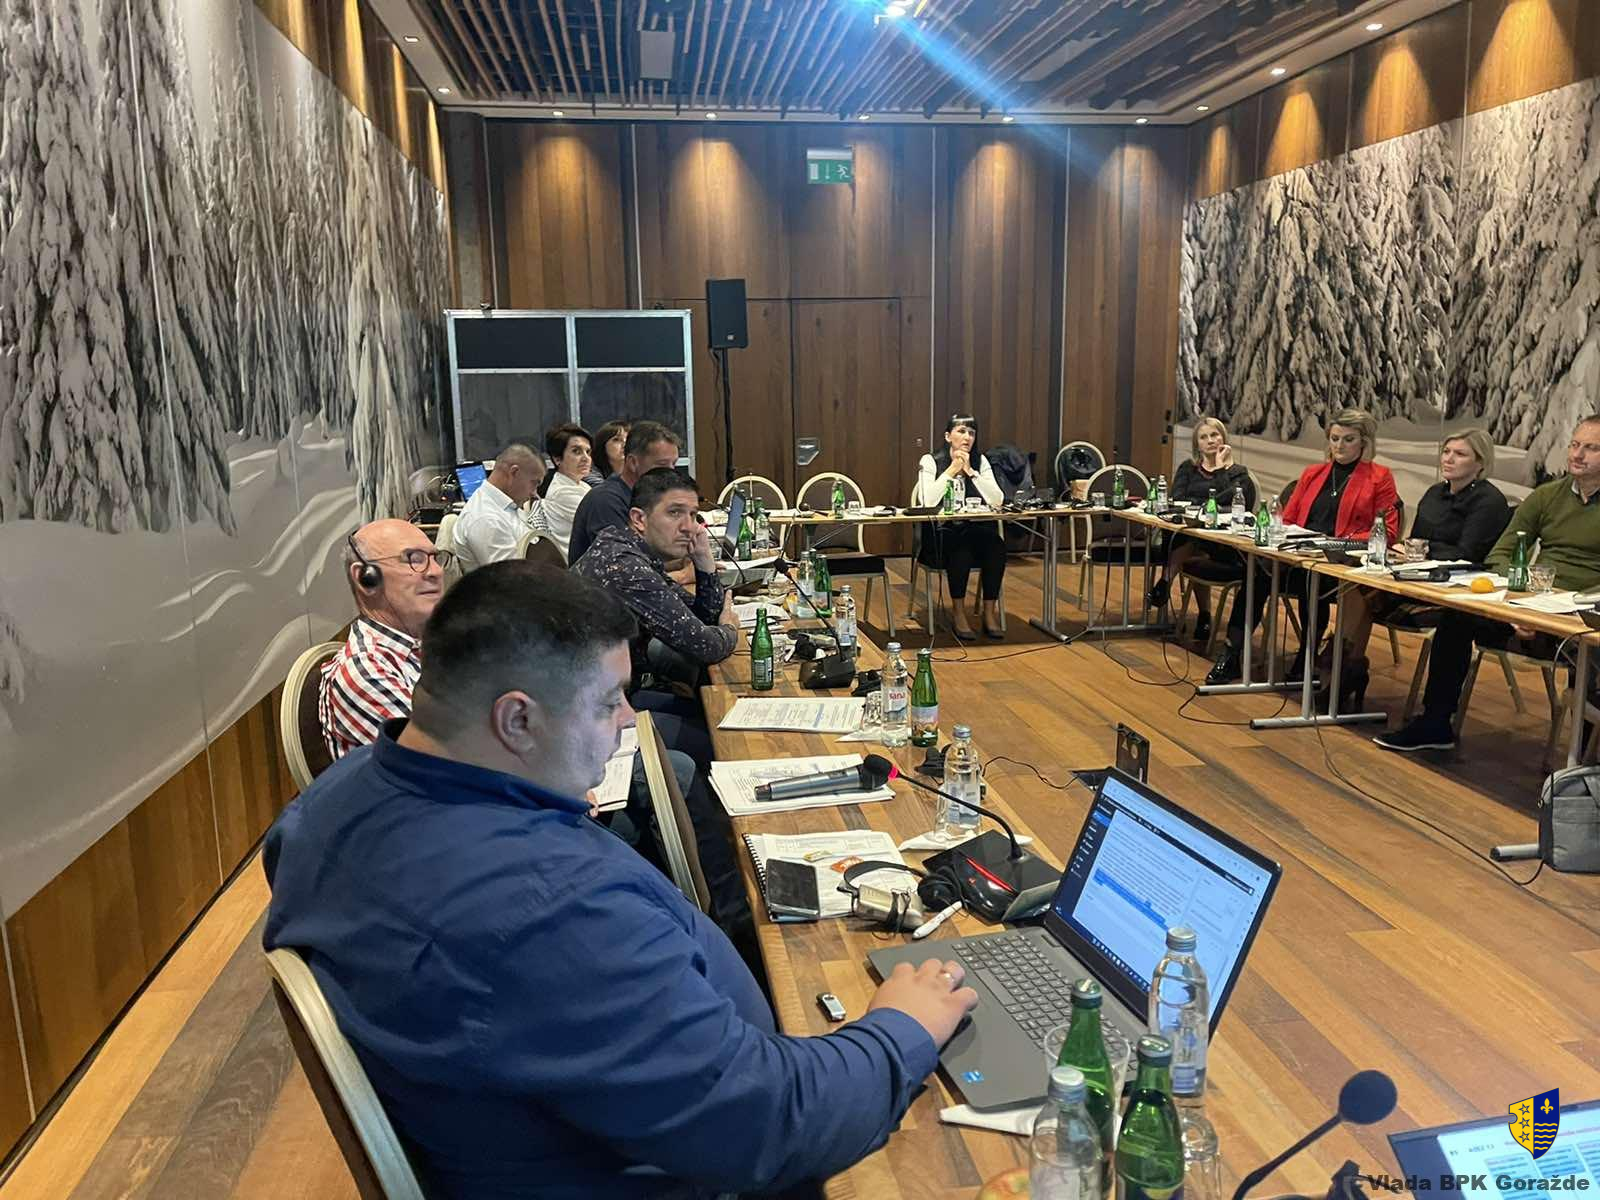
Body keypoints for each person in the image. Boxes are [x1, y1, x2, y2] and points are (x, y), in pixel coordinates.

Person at [264, 564, 978, 1198]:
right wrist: (903, 1027)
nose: (626, 721)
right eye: (609, 701)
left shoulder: (324, 806)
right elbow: (770, 1128)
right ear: (517, 720)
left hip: (578, 1118)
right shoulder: (546, 911)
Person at [1376, 416, 1600, 753]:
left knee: (1592, 649)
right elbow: (1501, 554)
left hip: (1582, 614)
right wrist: (1520, 599)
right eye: (1575, 445)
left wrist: (1565, 604)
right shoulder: (1547, 496)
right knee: (1457, 617)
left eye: (1591, 448)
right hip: (1531, 604)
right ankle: (1436, 724)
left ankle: (1586, 759)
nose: (1578, 455)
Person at [1206, 409, 1400, 685]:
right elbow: (1288, 520)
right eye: (1334, 438)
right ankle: (1231, 653)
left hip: (1340, 564)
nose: (1339, 446)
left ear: (1364, 442)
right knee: (1257, 572)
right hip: (1301, 552)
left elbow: (1387, 531)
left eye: (1348, 439)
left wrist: (1339, 542)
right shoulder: (1313, 474)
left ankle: (1307, 656)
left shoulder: (1380, 477)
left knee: (1313, 579)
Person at [1337, 430, 1511, 675]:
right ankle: (1342, 670)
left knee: (1367, 595)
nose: (1448, 459)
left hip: (1456, 589)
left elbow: (1467, 553)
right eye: (1446, 452)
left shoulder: (1489, 501)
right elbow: (1416, 541)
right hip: (1416, 575)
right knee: (1352, 584)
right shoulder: (1435, 493)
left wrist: (1422, 549)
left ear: (1480, 463)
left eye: (1460, 454)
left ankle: (1344, 673)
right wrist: (1412, 549)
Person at [573, 467, 739, 691]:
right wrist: (730, 628)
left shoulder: (633, 550)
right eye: (674, 513)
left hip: (608, 693)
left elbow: (702, 618)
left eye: (692, 515)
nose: (688, 527)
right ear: (639, 519)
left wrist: (704, 562)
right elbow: (706, 646)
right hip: (590, 705)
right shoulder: (624, 566)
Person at [320, 520, 451, 760]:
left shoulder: (432, 642)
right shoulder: (365, 671)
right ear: (365, 578)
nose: (436, 572)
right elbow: (451, 762)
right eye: (414, 559)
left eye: (435, 558)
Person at [1146, 417, 1257, 643]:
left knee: (1195, 541)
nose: (1210, 441)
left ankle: (1166, 581)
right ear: (1197, 443)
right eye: (1204, 437)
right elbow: (1178, 499)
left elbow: (1235, 502)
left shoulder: (1238, 473)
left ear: (1224, 438)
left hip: (1224, 543)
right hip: (1193, 535)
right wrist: (1206, 505)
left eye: (1215, 435)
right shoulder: (1188, 469)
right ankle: (1204, 616)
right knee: (1193, 539)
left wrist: (1222, 468)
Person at [914, 413, 1007, 639]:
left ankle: (989, 613)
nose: (967, 437)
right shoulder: (930, 461)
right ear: (948, 436)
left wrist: (972, 473)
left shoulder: (980, 461)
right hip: (939, 535)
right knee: (961, 547)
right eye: (961, 432)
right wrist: (952, 470)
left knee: (996, 545)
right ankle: (958, 613)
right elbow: (927, 501)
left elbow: (997, 500)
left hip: (971, 528)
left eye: (972, 433)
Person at [568, 420, 683, 564]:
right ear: (633, 462)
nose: (671, 472)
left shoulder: (646, 496)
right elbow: (624, 566)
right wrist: (683, 572)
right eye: (662, 465)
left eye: (673, 464)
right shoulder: (605, 501)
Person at [449, 443, 547, 573]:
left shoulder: (505, 507)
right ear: (514, 472)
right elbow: (510, 579)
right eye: (534, 483)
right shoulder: (486, 519)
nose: (535, 493)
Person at [541, 423, 593, 560]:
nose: (586, 458)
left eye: (588, 452)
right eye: (577, 451)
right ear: (557, 459)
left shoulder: (582, 485)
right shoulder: (562, 493)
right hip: (577, 565)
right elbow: (606, 525)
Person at [588, 418, 629, 485]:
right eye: (617, 440)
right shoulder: (591, 472)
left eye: (628, 439)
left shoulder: (639, 471)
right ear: (602, 445)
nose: (625, 444)